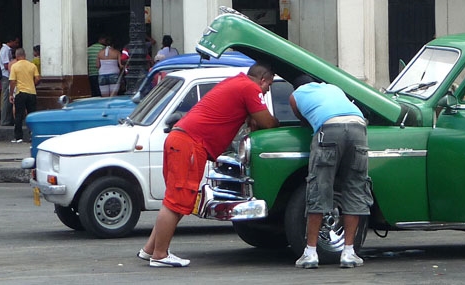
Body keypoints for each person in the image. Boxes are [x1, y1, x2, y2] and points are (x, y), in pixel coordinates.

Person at [138, 62, 279, 268]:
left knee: (175, 200)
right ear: (263, 79)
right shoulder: (250, 88)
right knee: (176, 201)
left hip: (180, 139)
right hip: (190, 145)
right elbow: (268, 123)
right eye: (269, 85)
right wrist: (271, 121)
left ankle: (150, 249)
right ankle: (160, 255)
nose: (267, 91)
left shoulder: (236, 82)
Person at [289, 78, 372, 269]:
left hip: (329, 129)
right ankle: (349, 253)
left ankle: (310, 253)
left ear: (297, 85)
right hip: (358, 127)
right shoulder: (334, 87)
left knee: (319, 187)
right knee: (355, 187)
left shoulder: (295, 95)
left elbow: (304, 121)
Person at [9, 46, 40, 143]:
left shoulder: (15, 66)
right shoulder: (32, 65)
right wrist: (32, 84)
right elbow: (38, 78)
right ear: (25, 55)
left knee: (19, 115)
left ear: (17, 56)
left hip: (20, 92)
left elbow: (13, 82)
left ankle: (18, 137)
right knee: (32, 114)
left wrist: (11, 94)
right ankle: (33, 134)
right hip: (32, 92)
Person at [0, 39, 16, 126]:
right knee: (6, 99)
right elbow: (5, 65)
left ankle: (8, 119)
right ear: (11, 41)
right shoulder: (5, 50)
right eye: (16, 42)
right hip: (6, 76)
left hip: (8, 76)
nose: (16, 44)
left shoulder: (7, 50)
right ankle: (4, 120)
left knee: (9, 99)